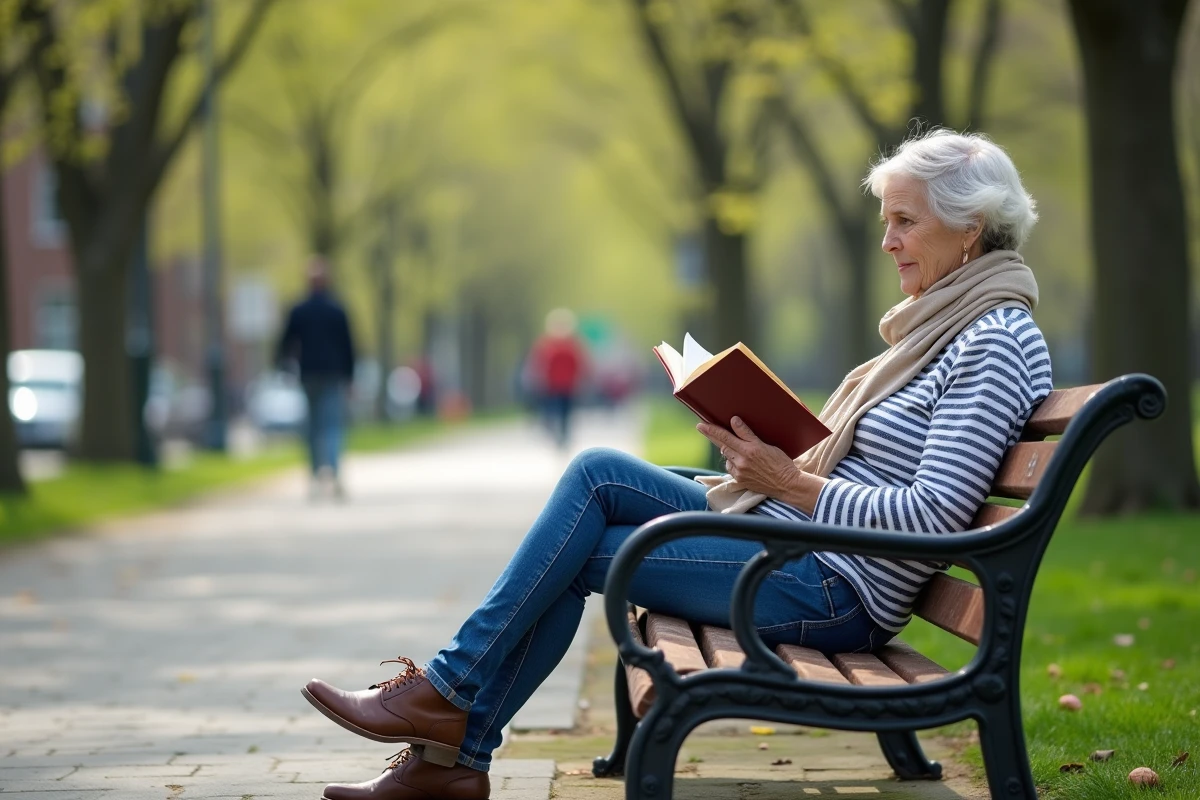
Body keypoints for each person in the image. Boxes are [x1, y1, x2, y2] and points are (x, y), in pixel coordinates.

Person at [301, 129, 1052, 800]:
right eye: (886, 220)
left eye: (905, 221)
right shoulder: (948, 326)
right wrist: (763, 456)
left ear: (970, 228)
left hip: (835, 587)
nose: (887, 240)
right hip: (803, 546)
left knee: (587, 502)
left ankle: (449, 719)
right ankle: (448, 747)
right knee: (592, 494)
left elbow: (931, 517)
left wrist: (787, 481)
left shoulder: (989, 341)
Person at [275, 257, 357, 500]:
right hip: (332, 375)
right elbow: (349, 346)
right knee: (332, 425)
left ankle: (313, 477)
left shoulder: (299, 310)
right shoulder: (337, 310)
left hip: (309, 375)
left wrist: (282, 367)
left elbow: (285, 342)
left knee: (312, 428)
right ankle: (333, 473)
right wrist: (350, 376)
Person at [525, 308, 588, 449]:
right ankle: (557, 433)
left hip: (567, 386)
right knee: (553, 410)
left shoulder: (569, 345)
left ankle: (563, 435)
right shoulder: (549, 344)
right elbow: (538, 363)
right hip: (552, 385)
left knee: (565, 412)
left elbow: (580, 364)